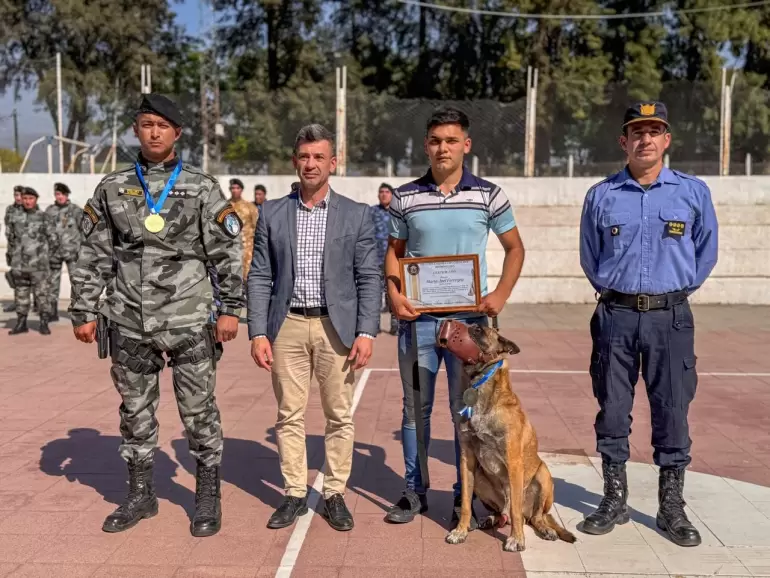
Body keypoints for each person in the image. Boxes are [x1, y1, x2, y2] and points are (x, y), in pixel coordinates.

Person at [68, 93, 244, 538]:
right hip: (128, 318)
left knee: (199, 410)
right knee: (135, 411)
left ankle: (207, 495)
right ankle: (141, 493)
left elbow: (227, 252)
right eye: (146, 124)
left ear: (178, 133)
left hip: (189, 320)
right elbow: (91, 254)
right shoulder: (112, 187)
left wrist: (231, 311)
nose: (154, 132)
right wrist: (84, 309)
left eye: (163, 125)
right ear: (135, 130)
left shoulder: (202, 187)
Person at [578, 101, 719, 547]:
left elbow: (705, 250)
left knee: (673, 409)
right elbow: (589, 254)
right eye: (637, 132)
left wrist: (673, 292)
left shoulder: (692, 192)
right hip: (615, 316)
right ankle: (614, 499)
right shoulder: (601, 195)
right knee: (613, 408)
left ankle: (671, 507)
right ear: (624, 141)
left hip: (670, 317)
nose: (645, 139)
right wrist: (614, 292)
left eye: (654, 131)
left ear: (666, 140)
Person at [383, 107, 525, 527]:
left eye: (450, 140)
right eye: (434, 140)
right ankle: (415, 492)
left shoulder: (489, 194)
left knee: (466, 413)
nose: (442, 148)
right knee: (414, 412)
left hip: (469, 326)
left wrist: (500, 293)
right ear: (426, 145)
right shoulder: (406, 196)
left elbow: (515, 248)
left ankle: (466, 495)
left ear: (466, 144)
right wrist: (394, 293)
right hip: (419, 321)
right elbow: (394, 252)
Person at [248, 123, 380, 532]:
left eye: (318, 157)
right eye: (304, 157)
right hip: (286, 325)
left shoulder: (357, 215)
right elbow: (259, 276)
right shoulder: (271, 212)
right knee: (289, 414)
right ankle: (293, 492)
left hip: (335, 327)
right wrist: (257, 331)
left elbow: (369, 277)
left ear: (333, 163)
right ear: (295, 161)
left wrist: (366, 331)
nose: (310, 164)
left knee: (338, 415)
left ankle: (335, 492)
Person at [7, 187, 59, 335]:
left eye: (30, 198)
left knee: (42, 294)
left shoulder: (44, 217)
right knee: (21, 294)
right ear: (21, 199)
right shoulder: (15, 217)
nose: (27, 201)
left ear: (36, 199)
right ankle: (21, 323)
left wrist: (46, 257)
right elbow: (11, 239)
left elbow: (54, 240)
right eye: (25, 198)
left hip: (39, 265)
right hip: (19, 265)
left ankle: (43, 323)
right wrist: (13, 258)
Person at [45, 182, 84, 321]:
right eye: (57, 194)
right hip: (54, 253)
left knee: (76, 282)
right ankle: (51, 312)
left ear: (67, 195)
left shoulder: (76, 210)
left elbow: (84, 230)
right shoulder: (50, 210)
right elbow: (46, 230)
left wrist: (83, 249)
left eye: (61, 194)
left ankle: (78, 311)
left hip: (73, 253)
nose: (59, 197)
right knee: (52, 283)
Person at [371, 183, 397, 335]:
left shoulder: (397, 213)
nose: (384, 194)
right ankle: (374, 326)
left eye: (387, 192)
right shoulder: (372, 212)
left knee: (392, 293)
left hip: (393, 260)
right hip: (375, 260)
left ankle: (395, 325)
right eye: (381, 192)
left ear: (392, 195)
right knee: (374, 294)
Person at [228, 178, 259, 284]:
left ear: (241, 190)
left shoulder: (250, 207)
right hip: (230, 249)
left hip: (248, 249)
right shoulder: (225, 206)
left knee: (248, 278)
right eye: (233, 188)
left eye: (237, 188)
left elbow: (257, 227)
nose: (235, 190)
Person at [3, 185, 24, 313]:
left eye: (20, 195)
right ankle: (17, 302)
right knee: (14, 276)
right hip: (13, 249)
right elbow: (8, 228)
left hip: (27, 250)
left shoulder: (29, 209)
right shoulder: (10, 209)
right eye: (16, 195)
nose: (18, 198)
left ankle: (38, 304)